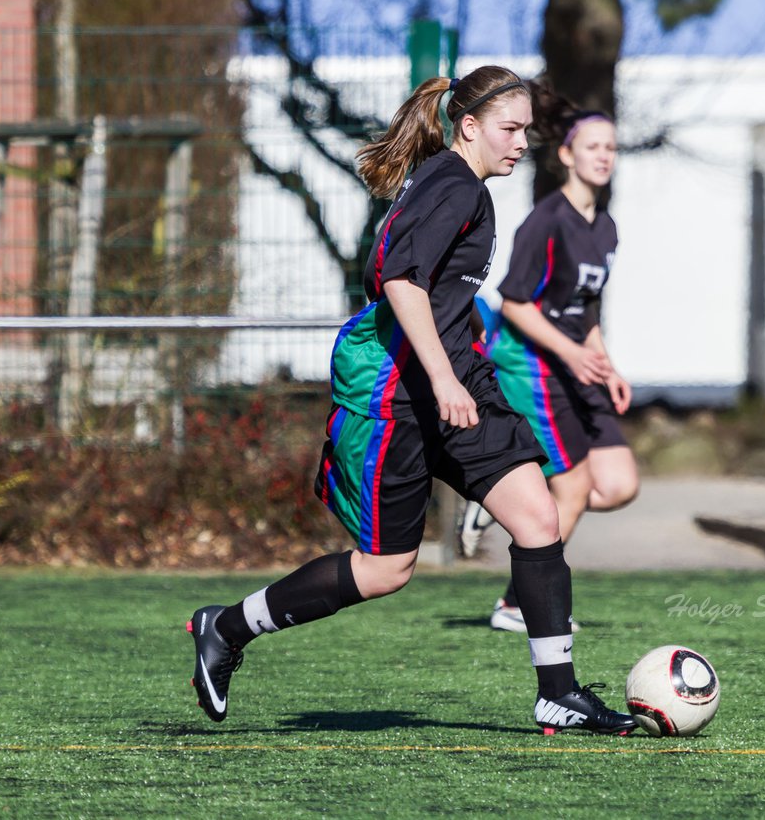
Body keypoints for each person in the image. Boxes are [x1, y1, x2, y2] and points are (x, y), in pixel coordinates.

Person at [188, 65, 637, 736]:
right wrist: (444, 377)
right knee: (384, 570)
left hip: (457, 389)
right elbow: (398, 281)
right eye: (509, 130)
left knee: (540, 519)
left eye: (524, 131)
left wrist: (462, 370)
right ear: (469, 126)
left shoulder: (463, 187)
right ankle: (225, 627)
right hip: (400, 398)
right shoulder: (453, 187)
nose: (519, 143)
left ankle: (558, 694)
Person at [460, 82, 640, 633]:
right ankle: (518, 604)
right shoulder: (547, 219)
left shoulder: (605, 228)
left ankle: (501, 498)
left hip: (576, 364)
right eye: (593, 147)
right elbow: (515, 304)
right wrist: (571, 352)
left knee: (617, 484)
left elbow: (583, 309)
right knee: (575, 488)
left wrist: (605, 364)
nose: (603, 156)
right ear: (566, 155)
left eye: (611, 148)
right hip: (532, 363)